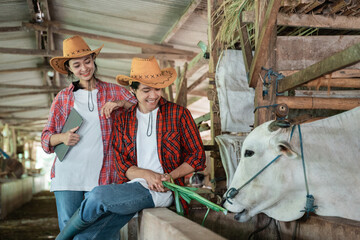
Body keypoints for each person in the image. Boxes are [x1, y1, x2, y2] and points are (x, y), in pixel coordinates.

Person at [55, 57, 206, 240]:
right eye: (146, 90)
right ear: (132, 90)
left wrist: (169, 176)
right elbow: (121, 165)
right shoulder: (124, 120)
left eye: (157, 89)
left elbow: (197, 156)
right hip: (131, 188)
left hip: (163, 190)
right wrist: (146, 174)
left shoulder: (178, 114)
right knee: (92, 235)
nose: (153, 95)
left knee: (98, 196)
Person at [41, 35, 136, 231]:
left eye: (87, 61)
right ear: (69, 69)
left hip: (102, 175)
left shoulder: (114, 91)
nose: (84, 68)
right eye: (77, 65)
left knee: (100, 230)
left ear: (93, 60)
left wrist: (120, 103)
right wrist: (63, 137)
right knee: (70, 229)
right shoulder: (63, 98)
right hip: (68, 174)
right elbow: (46, 138)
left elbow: (141, 108)